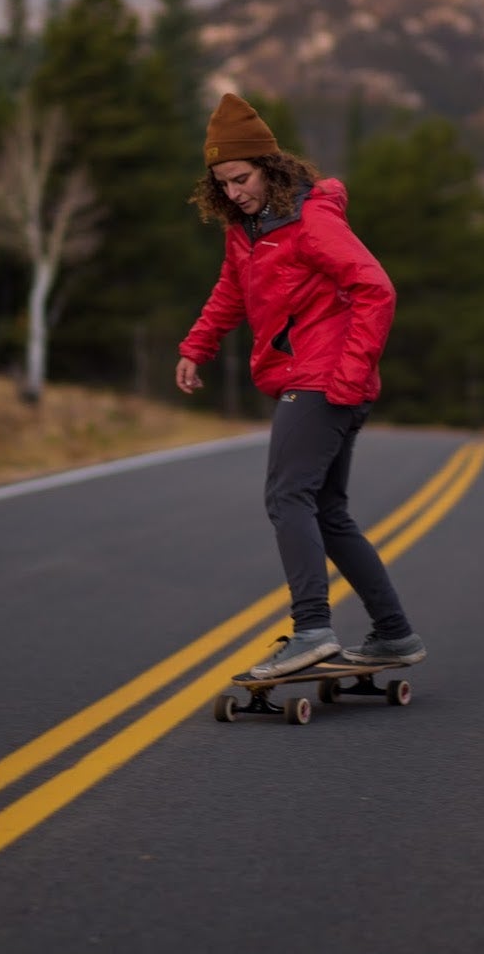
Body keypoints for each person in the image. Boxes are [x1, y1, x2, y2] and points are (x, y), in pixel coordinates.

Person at [176, 92, 426, 679]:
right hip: (314, 377)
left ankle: (312, 628)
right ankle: (394, 634)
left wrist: (349, 374)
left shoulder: (309, 220)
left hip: (323, 377)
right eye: (223, 183)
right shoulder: (248, 228)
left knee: (286, 496)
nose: (234, 192)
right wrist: (196, 346)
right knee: (328, 511)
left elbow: (376, 289)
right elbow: (231, 291)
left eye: (242, 177)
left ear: (270, 165)